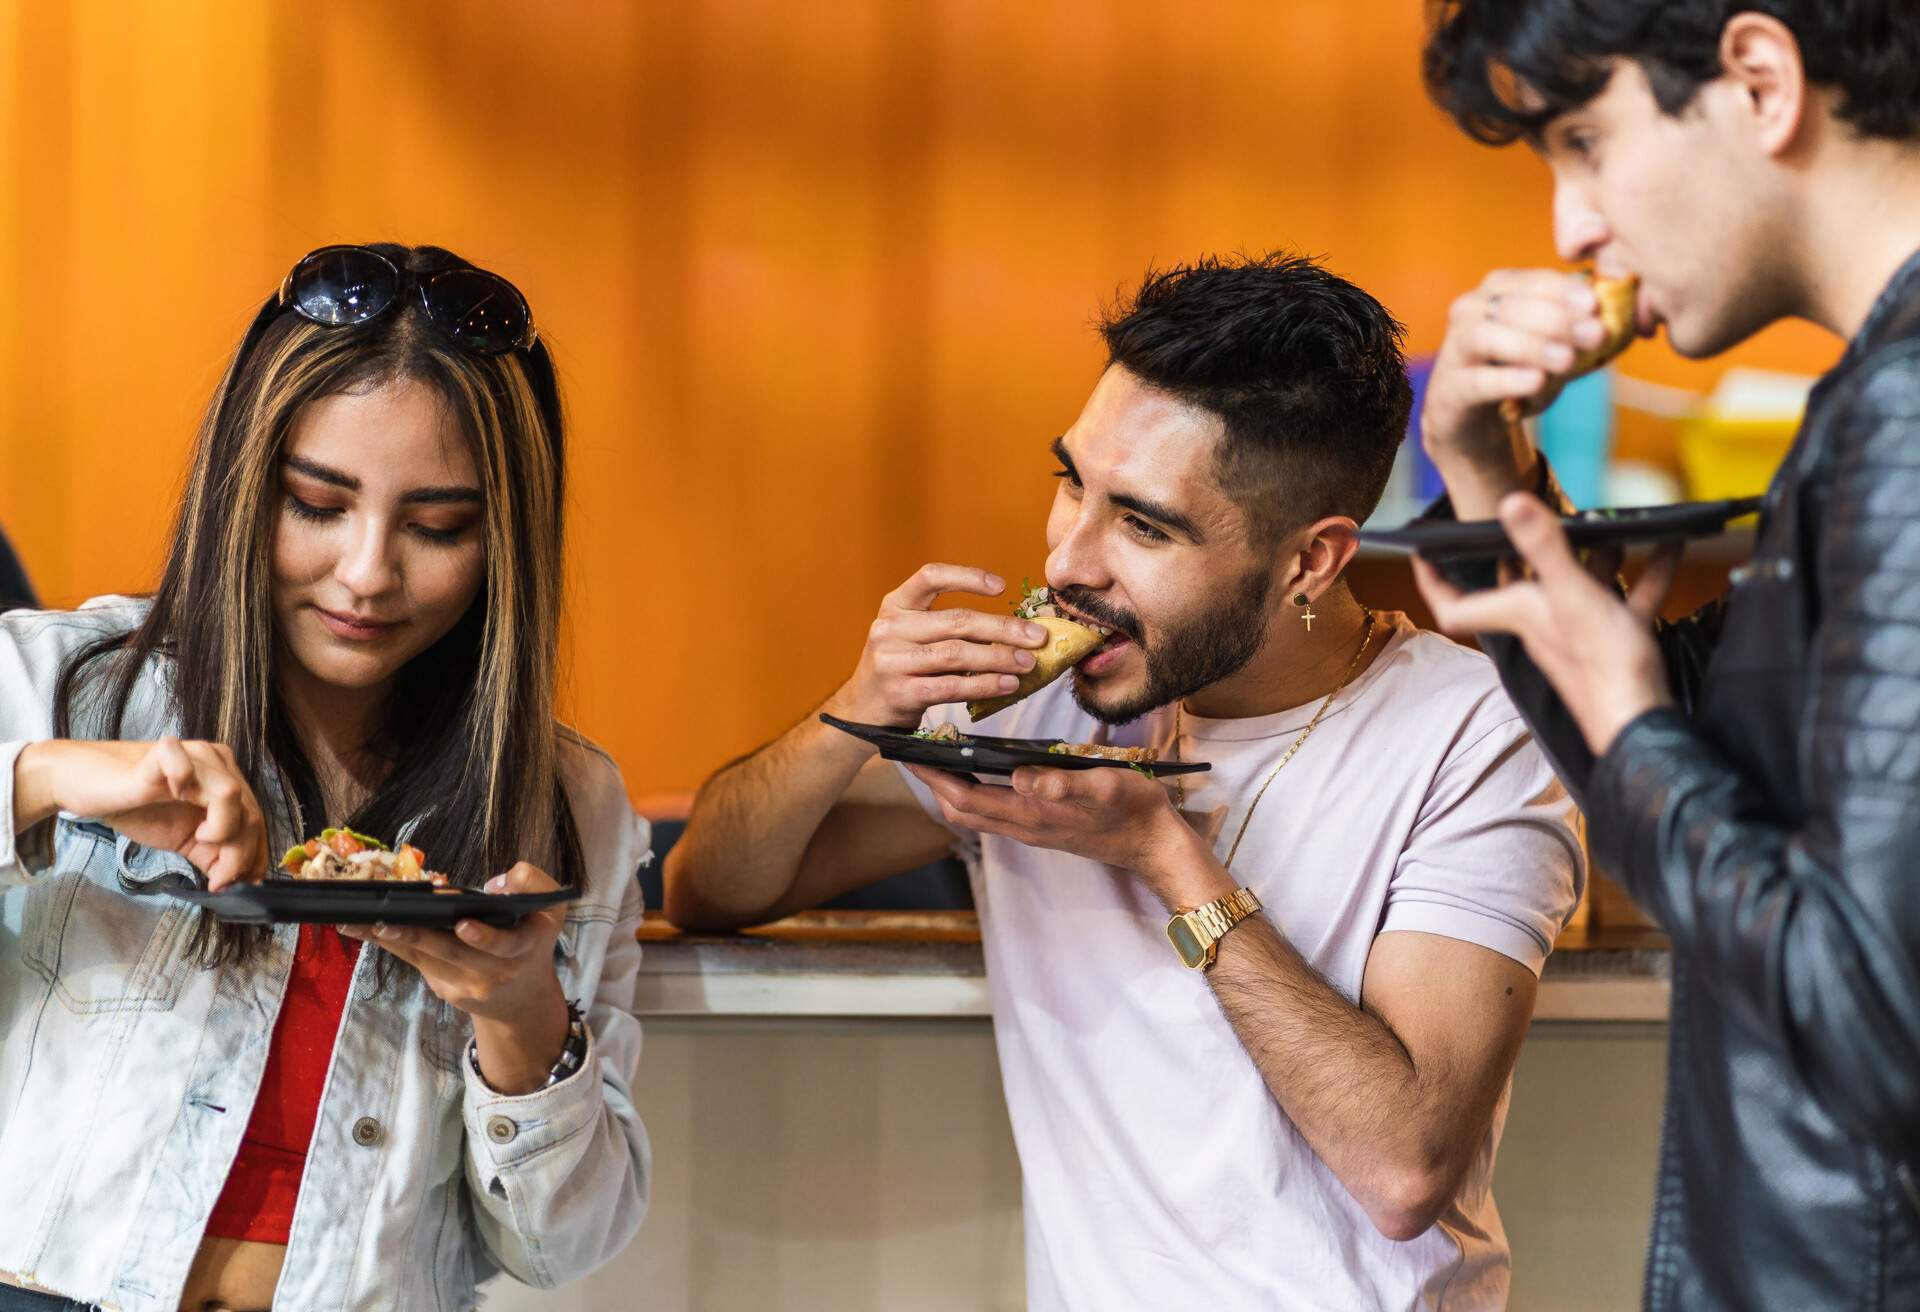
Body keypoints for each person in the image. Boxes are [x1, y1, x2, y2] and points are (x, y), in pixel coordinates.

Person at [665, 253, 1585, 1309]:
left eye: (1143, 524)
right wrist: (859, 708)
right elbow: (710, 885)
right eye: (1072, 483)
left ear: (1311, 562)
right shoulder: (1042, 705)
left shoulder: (1474, 730)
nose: (1068, 561)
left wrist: (1162, 852)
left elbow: (1403, 1167)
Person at [0, 244, 650, 1312]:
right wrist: (46, 777)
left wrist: (523, 1013)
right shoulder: (65, 686)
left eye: (440, 527)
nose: (366, 572)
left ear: (506, 546)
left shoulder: (569, 803)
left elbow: (560, 1246)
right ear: (244, 489)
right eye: (317, 504)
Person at [1416, 3, 1920, 1306]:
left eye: (1584, 140)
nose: (1570, 230)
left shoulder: (1906, 418)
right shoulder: (1868, 398)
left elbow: (1878, 1022)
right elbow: (1732, 775)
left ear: (1759, 80)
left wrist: (1634, 727)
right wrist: (1479, 469)